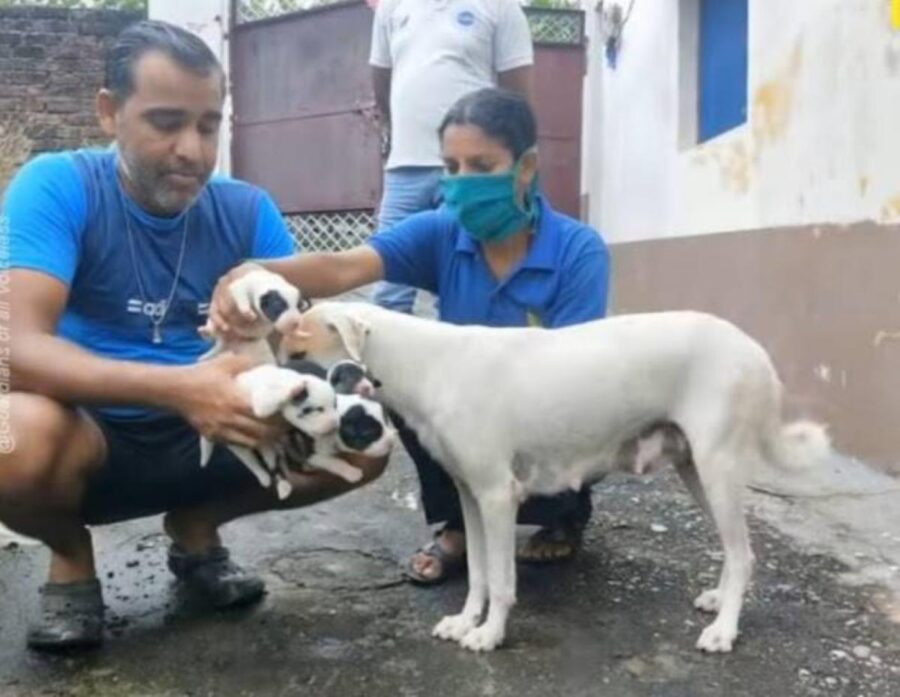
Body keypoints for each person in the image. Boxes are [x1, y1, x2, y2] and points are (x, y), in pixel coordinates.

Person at [0, 20, 386, 651]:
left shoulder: (245, 208)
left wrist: (330, 373)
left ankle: (197, 528)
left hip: (220, 429)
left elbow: (296, 343)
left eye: (209, 125)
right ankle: (71, 559)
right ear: (109, 113)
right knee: (8, 435)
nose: (193, 149)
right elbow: (12, 346)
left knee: (364, 439)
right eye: (166, 122)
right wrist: (181, 389)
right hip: (89, 432)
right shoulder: (58, 185)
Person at [209, 88, 610, 585]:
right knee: (401, 386)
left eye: (481, 166)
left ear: (526, 167)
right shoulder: (441, 232)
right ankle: (459, 524)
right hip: (470, 410)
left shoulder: (577, 251)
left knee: (584, 415)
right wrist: (250, 272)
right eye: (451, 167)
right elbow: (342, 267)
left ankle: (562, 514)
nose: (461, 184)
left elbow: (575, 372)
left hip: (546, 410)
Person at [369, 0, 534, 314]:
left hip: (470, 176)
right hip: (406, 168)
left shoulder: (500, 8)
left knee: (459, 284)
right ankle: (380, 366)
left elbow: (518, 98)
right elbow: (381, 78)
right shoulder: (391, 8)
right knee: (389, 289)